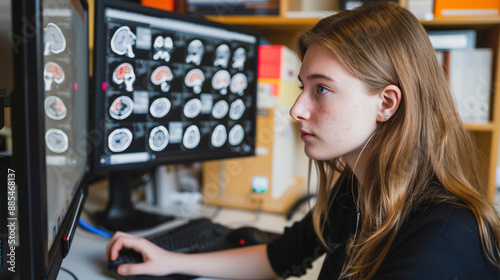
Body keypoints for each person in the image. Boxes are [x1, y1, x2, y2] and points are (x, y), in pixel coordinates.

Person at [106, 2, 500, 279]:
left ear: (387, 103)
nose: (296, 110)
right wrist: (171, 260)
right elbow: (278, 258)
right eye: (302, 88)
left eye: (322, 90)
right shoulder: (357, 188)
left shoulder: (445, 238)